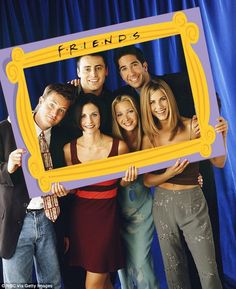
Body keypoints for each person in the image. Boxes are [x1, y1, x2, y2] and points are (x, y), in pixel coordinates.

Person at [140, 79, 228, 289]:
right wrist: (169, 173)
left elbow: (219, 162)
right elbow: (147, 180)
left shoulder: (192, 126)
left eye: (162, 99)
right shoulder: (149, 138)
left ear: (170, 99)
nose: (159, 106)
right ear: (147, 107)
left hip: (193, 202)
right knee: (173, 270)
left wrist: (221, 135)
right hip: (162, 204)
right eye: (152, 102)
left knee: (208, 269)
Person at [0, 83, 77, 288]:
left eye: (62, 110)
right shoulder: (7, 129)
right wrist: (8, 167)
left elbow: (69, 176)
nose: (54, 114)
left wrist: (68, 188)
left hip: (50, 219)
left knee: (52, 283)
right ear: (40, 101)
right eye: (51, 105)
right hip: (17, 220)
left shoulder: (63, 136)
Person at [61, 94, 137, 289]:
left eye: (94, 115)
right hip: (81, 220)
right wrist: (62, 190)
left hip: (107, 219)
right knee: (102, 284)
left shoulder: (119, 146)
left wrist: (127, 181)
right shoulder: (69, 149)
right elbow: (73, 189)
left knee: (93, 284)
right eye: (84, 116)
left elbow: (123, 183)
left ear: (101, 116)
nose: (89, 121)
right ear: (78, 119)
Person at [112, 94, 159, 289]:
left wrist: (191, 175)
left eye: (130, 111)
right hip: (116, 211)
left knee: (141, 264)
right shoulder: (112, 143)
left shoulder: (149, 137)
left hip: (142, 210)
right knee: (123, 266)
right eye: (120, 114)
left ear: (138, 112)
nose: (126, 118)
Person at [113, 45, 195, 117]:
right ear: (121, 76)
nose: (131, 73)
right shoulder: (121, 98)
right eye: (124, 69)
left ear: (144, 66)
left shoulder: (177, 83)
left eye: (134, 65)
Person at [65, 52, 113, 138]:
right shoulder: (66, 98)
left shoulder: (114, 101)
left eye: (98, 68)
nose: (94, 74)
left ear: (106, 71)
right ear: (78, 72)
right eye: (87, 69)